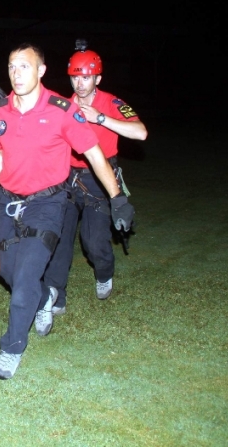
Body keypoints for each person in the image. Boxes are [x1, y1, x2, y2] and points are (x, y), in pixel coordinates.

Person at [0, 43, 134, 379]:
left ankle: (11, 349)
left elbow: (94, 153)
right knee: (8, 273)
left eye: (25, 66)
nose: (17, 73)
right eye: (11, 66)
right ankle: (45, 296)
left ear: (41, 71)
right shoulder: (1, 111)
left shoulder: (62, 110)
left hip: (48, 204)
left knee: (23, 280)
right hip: (8, 202)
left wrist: (117, 197)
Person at [43, 41, 148, 318]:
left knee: (94, 242)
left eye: (86, 77)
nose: (79, 83)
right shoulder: (62, 106)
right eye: (75, 77)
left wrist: (101, 118)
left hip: (99, 182)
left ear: (97, 78)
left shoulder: (111, 103)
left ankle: (104, 272)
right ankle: (57, 296)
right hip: (66, 179)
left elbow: (141, 133)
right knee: (58, 239)